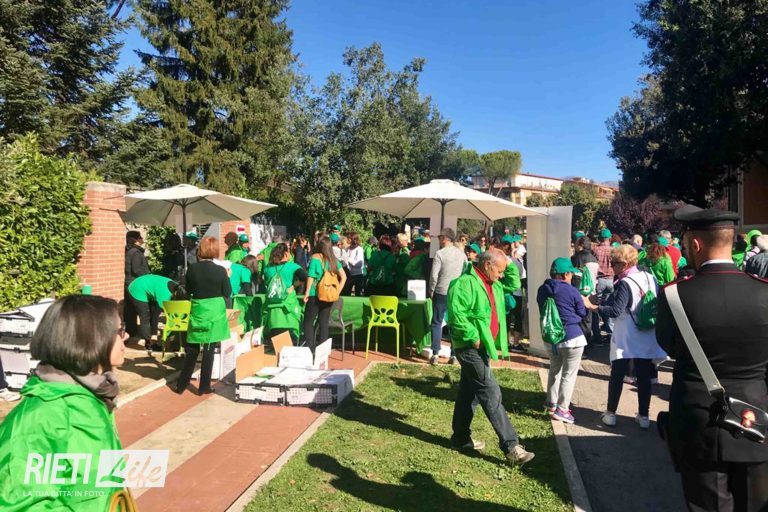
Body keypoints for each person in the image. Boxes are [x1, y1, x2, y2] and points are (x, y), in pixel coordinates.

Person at [656, 206, 768, 512]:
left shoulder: (673, 295)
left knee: (706, 505)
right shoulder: (764, 292)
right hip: (756, 416)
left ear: (695, 244)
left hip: (697, 419)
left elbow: (671, 347)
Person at [0, 295, 127, 510]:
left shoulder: (90, 397)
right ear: (92, 339)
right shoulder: (43, 416)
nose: (126, 336)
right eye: (120, 330)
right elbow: (15, 503)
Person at [447, 248, 535, 466]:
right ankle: (511, 447)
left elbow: (514, 283)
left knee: (469, 393)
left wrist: (508, 260)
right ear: (487, 265)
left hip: (482, 347)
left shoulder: (494, 282)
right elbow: (457, 315)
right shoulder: (464, 284)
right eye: (499, 270)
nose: (501, 275)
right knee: (490, 391)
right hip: (469, 347)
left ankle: (460, 438)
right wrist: (473, 337)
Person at [584, 244, 667, 429]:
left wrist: (593, 307)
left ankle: (611, 413)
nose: (611, 266)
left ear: (625, 263)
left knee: (618, 373)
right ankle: (644, 416)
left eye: (614, 263)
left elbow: (615, 310)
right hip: (647, 332)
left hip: (627, 334)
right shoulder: (650, 277)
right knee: (644, 375)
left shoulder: (625, 282)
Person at [177, 237, 232, 395]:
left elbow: (189, 290)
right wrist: (227, 276)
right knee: (209, 349)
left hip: (198, 309)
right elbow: (227, 292)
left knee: (192, 348)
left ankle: (181, 385)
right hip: (214, 312)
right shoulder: (220, 270)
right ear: (215, 250)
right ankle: (204, 386)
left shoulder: (192, 269)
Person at [537, 258, 589, 424]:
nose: (572, 276)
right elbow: (582, 313)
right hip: (572, 337)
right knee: (568, 375)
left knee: (554, 369)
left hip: (551, 337)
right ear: (566, 274)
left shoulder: (542, 289)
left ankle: (551, 402)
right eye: (571, 273)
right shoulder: (572, 291)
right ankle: (562, 409)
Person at [428, 228, 467, 365]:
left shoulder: (440, 254)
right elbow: (465, 272)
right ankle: (454, 355)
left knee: (436, 322)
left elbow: (434, 275)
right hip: (456, 292)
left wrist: (431, 290)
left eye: (440, 237)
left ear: (445, 238)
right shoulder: (461, 254)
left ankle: (435, 354)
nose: (439, 239)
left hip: (441, 291)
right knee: (454, 323)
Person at [303, 237, 346, 351]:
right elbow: (344, 277)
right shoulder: (333, 260)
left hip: (315, 294)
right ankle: (323, 353)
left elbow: (311, 276)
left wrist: (307, 292)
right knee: (323, 323)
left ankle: (310, 350)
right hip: (329, 296)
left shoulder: (315, 258)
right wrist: (337, 292)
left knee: (308, 322)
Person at [263, 243, 306, 342]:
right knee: (290, 340)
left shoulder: (267, 269)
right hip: (288, 308)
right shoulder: (292, 267)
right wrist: (293, 286)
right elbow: (304, 276)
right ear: (286, 254)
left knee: (276, 341)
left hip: (273, 310)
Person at [127, 273, 180, 350]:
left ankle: (152, 338)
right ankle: (149, 343)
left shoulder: (174, 285)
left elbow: (155, 313)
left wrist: (154, 333)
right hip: (137, 288)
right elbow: (166, 314)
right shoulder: (164, 295)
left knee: (154, 312)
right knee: (145, 316)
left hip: (150, 288)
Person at [499, 235, 524, 353]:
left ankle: (506, 342)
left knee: (506, 318)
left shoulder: (500, 261)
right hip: (517, 293)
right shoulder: (517, 261)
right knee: (517, 318)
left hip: (505, 293)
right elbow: (522, 275)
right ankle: (516, 343)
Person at [124, 230, 149, 337]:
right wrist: (147, 277)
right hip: (135, 284)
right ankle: (146, 336)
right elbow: (137, 269)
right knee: (143, 311)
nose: (142, 239)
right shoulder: (136, 253)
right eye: (140, 237)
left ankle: (131, 331)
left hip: (129, 283)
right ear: (136, 240)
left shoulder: (129, 251)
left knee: (130, 310)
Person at [593, 228, 615, 339]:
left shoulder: (595, 250)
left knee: (596, 306)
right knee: (609, 306)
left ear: (600, 238)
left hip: (599, 280)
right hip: (611, 280)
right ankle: (611, 332)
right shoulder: (614, 250)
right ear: (609, 238)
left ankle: (596, 333)